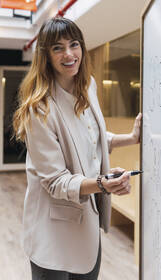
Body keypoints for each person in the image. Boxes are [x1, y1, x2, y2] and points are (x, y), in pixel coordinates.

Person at [13, 17, 142, 280]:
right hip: (52, 229)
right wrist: (103, 184)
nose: (69, 54)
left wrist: (130, 138)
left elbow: (88, 136)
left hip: (86, 221)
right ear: (45, 56)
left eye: (74, 44)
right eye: (58, 48)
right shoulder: (39, 109)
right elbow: (56, 181)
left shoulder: (88, 86)